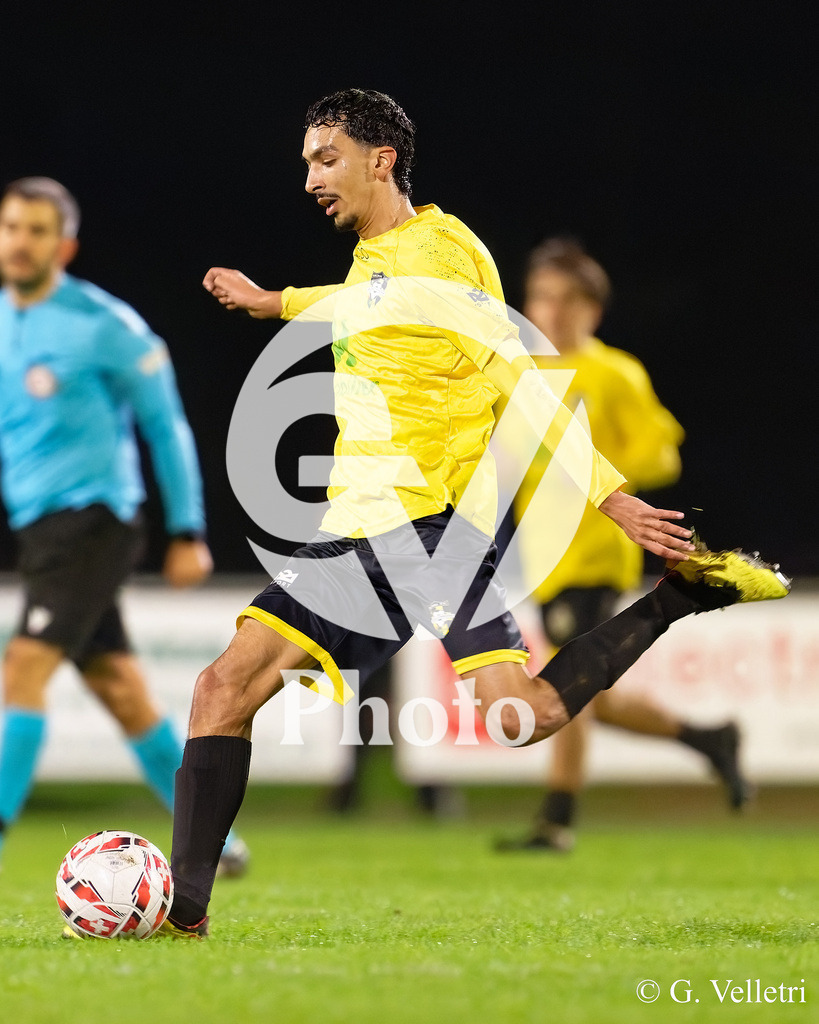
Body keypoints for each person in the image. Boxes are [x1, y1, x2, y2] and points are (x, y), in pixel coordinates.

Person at [153, 90, 787, 939]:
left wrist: (611, 497)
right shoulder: (375, 258)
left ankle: (679, 597)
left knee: (521, 717)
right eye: (306, 161)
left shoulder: (446, 253)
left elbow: (519, 380)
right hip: (351, 530)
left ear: (381, 160)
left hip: (433, 532)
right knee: (222, 687)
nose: (309, 179)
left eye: (325, 159)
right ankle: (182, 917)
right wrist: (275, 301)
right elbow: (365, 305)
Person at [0, 177, 247, 877]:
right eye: (12, 227)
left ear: (64, 245)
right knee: (121, 690)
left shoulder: (104, 325)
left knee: (22, 669)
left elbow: (165, 426)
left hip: (95, 519)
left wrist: (187, 529)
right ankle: (221, 843)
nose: (21, 242)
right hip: (38, 528)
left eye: (37, 230)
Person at [495, 238, 751, 854]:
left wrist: (598, 477)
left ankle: (556, 821)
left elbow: (662, 453)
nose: (552, 311)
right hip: (545, 561)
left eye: (568, 300)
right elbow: (505, 462)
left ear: (594, 310)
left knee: (562, 686)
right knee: (588, 694)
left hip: (596, 556)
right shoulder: (520, 374)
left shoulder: (615, 374)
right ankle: (706, 739)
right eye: (541, 297)